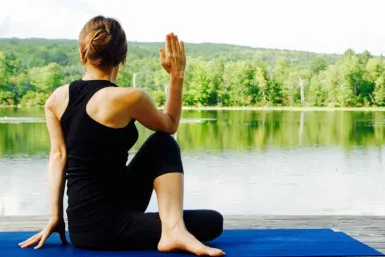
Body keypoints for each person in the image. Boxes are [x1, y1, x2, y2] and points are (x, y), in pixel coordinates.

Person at [18, 16, 225, 256]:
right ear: (122, 57)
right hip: (107, 227)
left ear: (82, 52)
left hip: (81, 227)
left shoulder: (56, 99)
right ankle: (174, 230)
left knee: (161, 145)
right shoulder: (130, 97)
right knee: (210, 219)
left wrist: (55, 216)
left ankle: (172, 228)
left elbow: (58, 156)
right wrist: (176, 76)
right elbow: (170, 125)